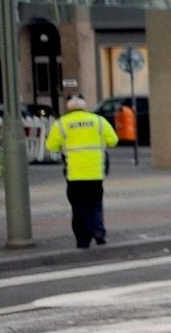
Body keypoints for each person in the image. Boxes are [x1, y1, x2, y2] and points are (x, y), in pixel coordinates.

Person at [44, 94, 118, 249]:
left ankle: (82, 240)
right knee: (95, 204)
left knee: (78, 207)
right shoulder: (98, 121)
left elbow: (51, 146)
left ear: (68, 107)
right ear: (84, 105)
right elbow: (113, 140)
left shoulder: (62, 124)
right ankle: (98, 231)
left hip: (74, 174)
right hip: (95, 173)